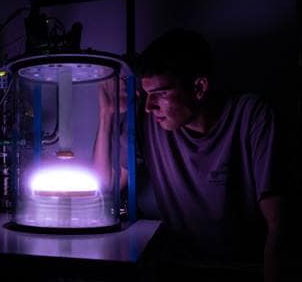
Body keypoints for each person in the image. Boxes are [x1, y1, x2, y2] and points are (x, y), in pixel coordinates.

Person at [94, 29, 284, 281]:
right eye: (147, 94)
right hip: (176, 267)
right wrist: (107, 114)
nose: (150, 106)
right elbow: (103, 188)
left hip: (244, 269)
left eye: (160, 94)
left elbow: (280, 224)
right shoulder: (147, 121)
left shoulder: (251, 117)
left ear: (199, 87)